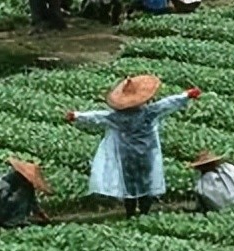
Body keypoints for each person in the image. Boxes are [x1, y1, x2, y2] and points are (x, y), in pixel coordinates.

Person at [65, 75, 200, 218]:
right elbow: (166, 104)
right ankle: (144, 213)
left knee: (129, 184)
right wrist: (186, 95)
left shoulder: (117, 117)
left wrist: (77, 115)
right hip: (147, 153)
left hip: (126, 154)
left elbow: (98, 117)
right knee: (146, 183)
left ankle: (130, 213)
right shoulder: (149, 112)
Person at [0, 157, 52, 229]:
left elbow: (34, 203)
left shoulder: (17, 181)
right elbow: (4, 198)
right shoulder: (12, 183)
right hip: (2, 211)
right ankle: (12, 221)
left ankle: (12, 220)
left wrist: (43, 215)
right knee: (22, 196)